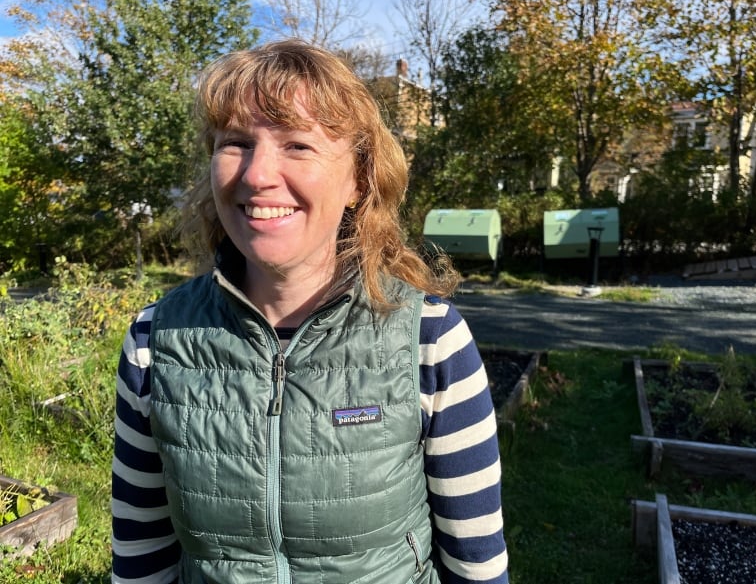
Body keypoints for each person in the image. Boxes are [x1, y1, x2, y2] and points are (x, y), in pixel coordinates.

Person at [111, 39, 508, 584]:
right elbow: (140, 559)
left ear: (358, 181)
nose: (256, 175)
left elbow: (477, 565)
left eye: (297, 145)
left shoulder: (431, 341)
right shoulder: (154, 341)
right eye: (236, 143)